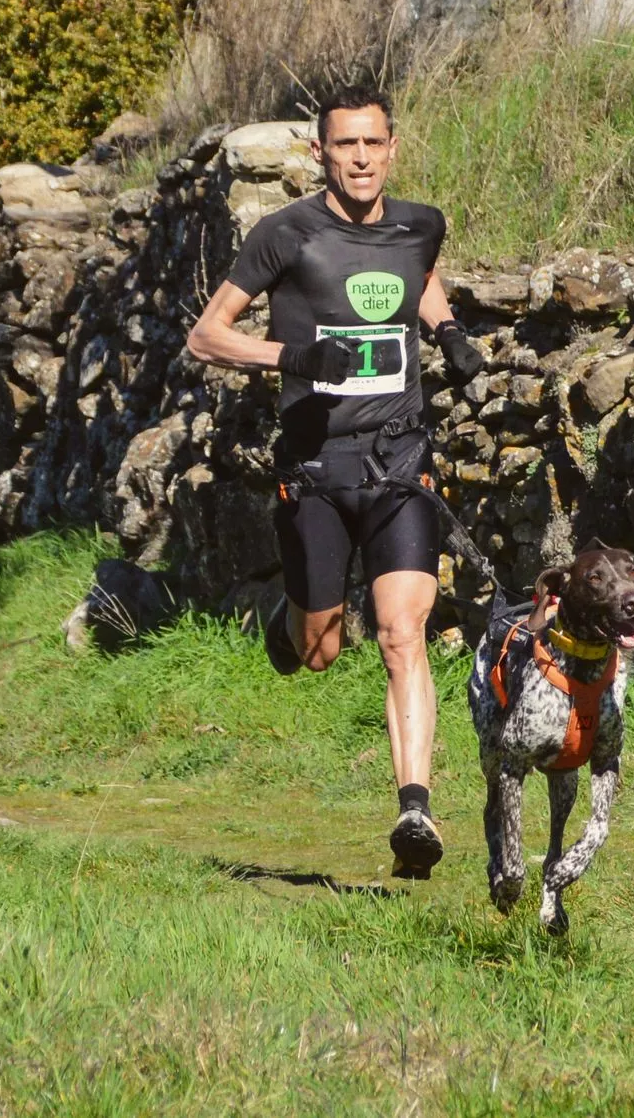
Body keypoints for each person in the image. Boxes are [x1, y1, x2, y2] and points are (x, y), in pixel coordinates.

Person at [186, 83, 486, 879]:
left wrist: (447, 329)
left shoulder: (421, 223)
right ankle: (294, 618)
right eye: (345, 145)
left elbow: (415, 272)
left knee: (401, 632)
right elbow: (207, 334)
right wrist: (291, 358)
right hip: (316, 468)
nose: (360, 158)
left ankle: (415, 807)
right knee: (319, 651)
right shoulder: (285, 235)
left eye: (373, 144)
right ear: (321, 153)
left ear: (392, 148)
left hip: (398, 459)